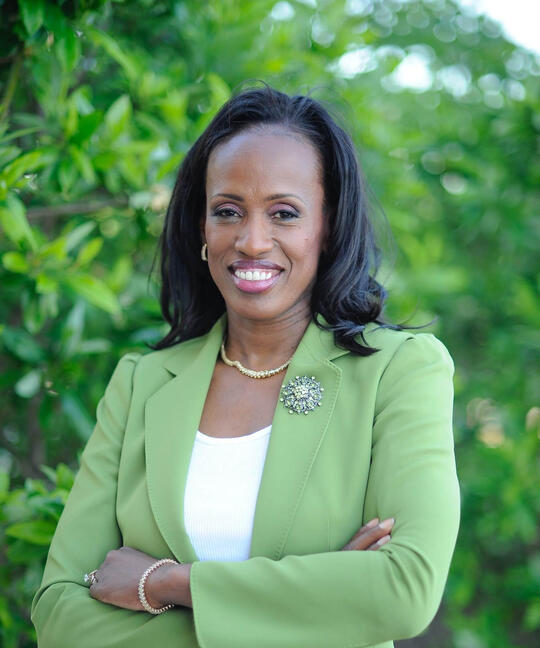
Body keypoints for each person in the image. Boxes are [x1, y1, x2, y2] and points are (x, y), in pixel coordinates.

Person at [31, 84, 460, 648]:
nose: (253, 241)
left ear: (327, 225)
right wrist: (315, 610)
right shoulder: (142, 383)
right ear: (202, 228)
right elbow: (58, 615)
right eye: (227, 212)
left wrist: (165, 584)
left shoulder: (397, 372)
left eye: (284, 213)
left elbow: (404, 591)